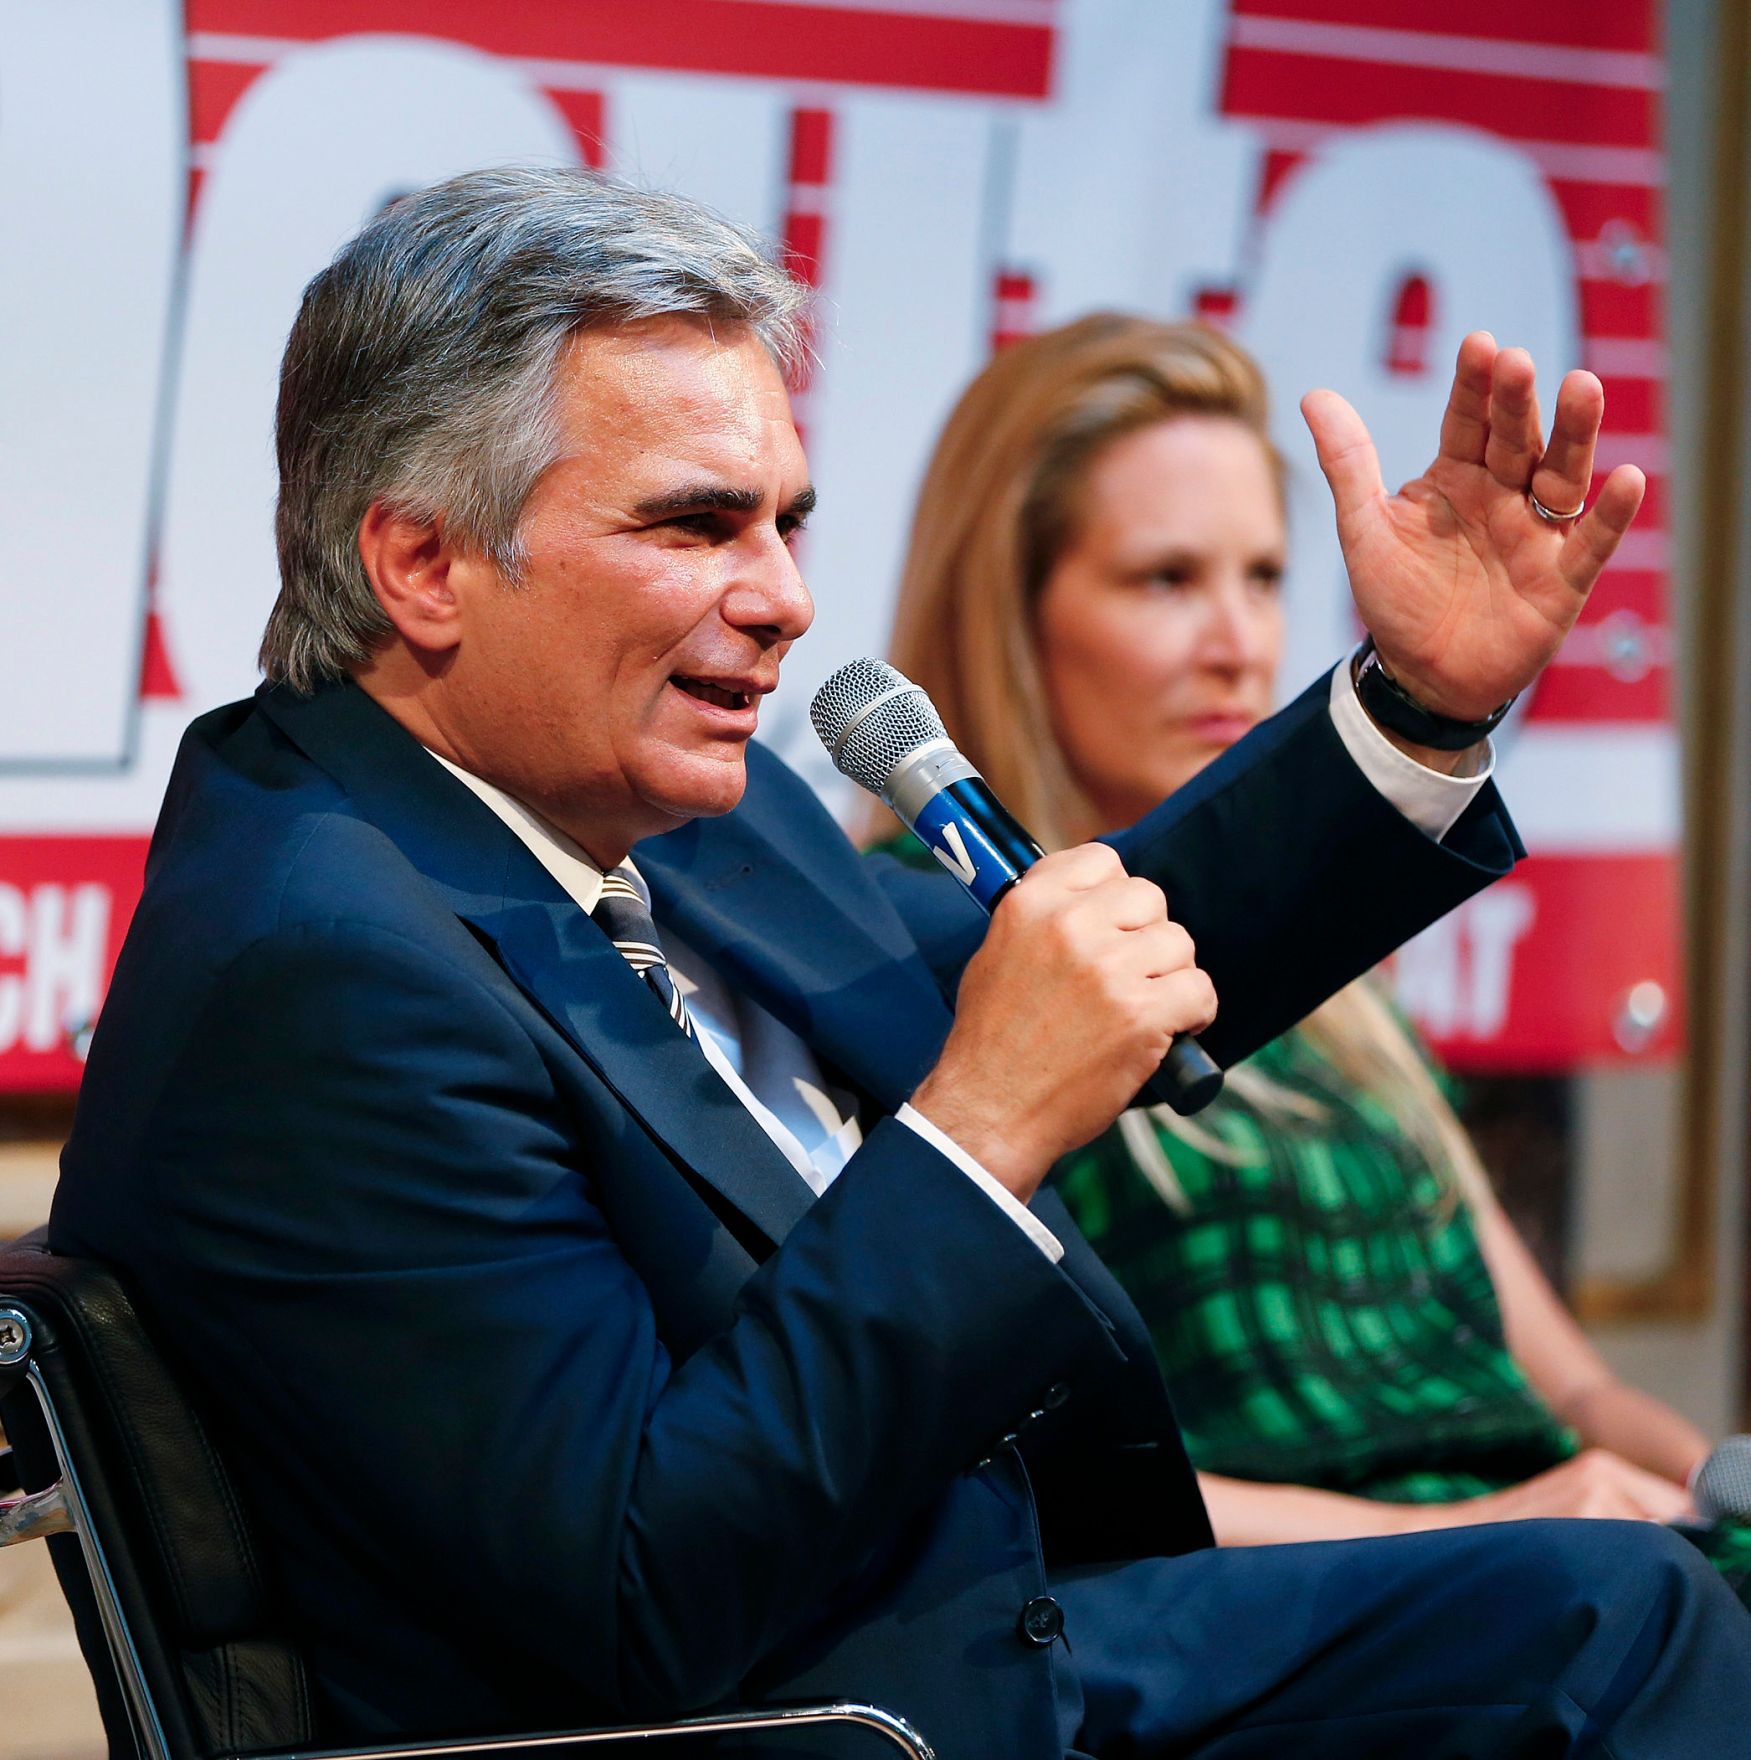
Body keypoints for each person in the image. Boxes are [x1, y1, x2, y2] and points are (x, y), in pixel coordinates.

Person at [49, 167, 1751, 1759]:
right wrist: (979, 1133)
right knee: (1629, 1625)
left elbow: (1099, 955)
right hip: (822, 1721)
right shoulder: (321, 972)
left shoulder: (679, 806)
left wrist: (1415, 708)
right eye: (698, 525)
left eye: (787, 521)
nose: (785, 599)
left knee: (1652, 1593)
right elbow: (640, 1599)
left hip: (981, 1632)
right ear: (422, 563)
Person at [879, 312, 1751, 1603]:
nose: (1237, 640)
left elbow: (1569, 1384)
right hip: (1315, 1619)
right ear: (1011, 609)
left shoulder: (1335, 951)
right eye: (1166, 580)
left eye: (1267, 576)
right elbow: (1014, 1489)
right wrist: (1504, 1528)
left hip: (1565, 1563)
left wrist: (1712, 1493)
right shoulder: (925, 938)